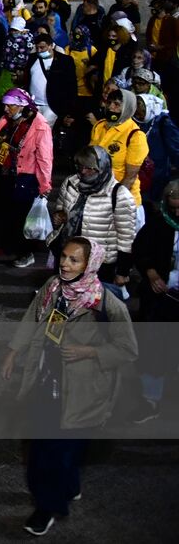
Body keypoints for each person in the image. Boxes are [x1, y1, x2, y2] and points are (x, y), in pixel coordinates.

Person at [1, 236, 137, 537]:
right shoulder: (52, 289)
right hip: (45, 380)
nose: (65, 264)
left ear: (91, 265)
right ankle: (66, 486)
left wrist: (90, 352)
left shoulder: (105, 303)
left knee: (56, 452)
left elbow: (128, 349)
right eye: (64, 257)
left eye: (74, 260)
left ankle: (47, 508)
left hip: (81, 392)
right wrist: (13, 351)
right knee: (43, 447)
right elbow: (31, 318)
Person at [0, 89, 54, 268]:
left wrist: (44, 184)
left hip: (23, 178)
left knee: (19, 218)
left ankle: (25, 253)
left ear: (21, 105)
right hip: (0, 175)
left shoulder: (39, 125)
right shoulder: (5, 121)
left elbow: (44, 157)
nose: (6, 108)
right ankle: (3, 246)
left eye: (10, 105)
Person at [50, 147, 137, 291]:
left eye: (90, 168)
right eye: (80, 167)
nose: (83, 172)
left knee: (91, 306)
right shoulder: (71, 183)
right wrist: (59, 216)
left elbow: (126, 238)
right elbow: (60, 207)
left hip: (98, 263)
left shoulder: (120, 195)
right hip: (68, 255)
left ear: (102, 168)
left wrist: (122, 272)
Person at [131, 180, 179, 423]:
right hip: (160, 298)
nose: (178, 213)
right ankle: (150, 400)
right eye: (174, 208)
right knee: (153, 349)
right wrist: (150, 272)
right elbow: (140, 250)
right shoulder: (158, 224)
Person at [89, 88, 150, 204]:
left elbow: (130, 178)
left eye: (117, 104)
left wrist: (113, 202)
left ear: (127, 107)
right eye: (109, 103)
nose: (111, 107)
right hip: (97, 194)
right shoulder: (99, 126)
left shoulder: (135, 136)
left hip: (123, 201)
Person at [27, 33, 77, 129]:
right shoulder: (32, 58)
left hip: (52, 105)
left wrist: (70, 111)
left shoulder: (65, 61)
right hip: (34, 105)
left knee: (43, 130)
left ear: (51, 46)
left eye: (42, 47)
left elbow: (71, 86)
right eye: (37, 48)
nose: (39, 50)